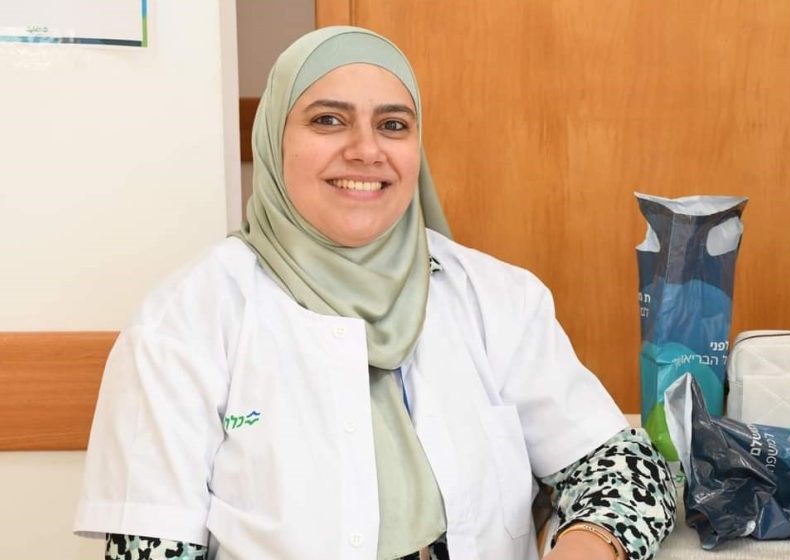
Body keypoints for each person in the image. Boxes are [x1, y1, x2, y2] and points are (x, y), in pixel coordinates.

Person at [75, 26, 676, 560]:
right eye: (328, 120)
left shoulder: (498, 298)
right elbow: (150, 548)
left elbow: (625, 471)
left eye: (393, 125)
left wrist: (587, 546)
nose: (366, 149)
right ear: (274, 141)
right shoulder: (186, 319)